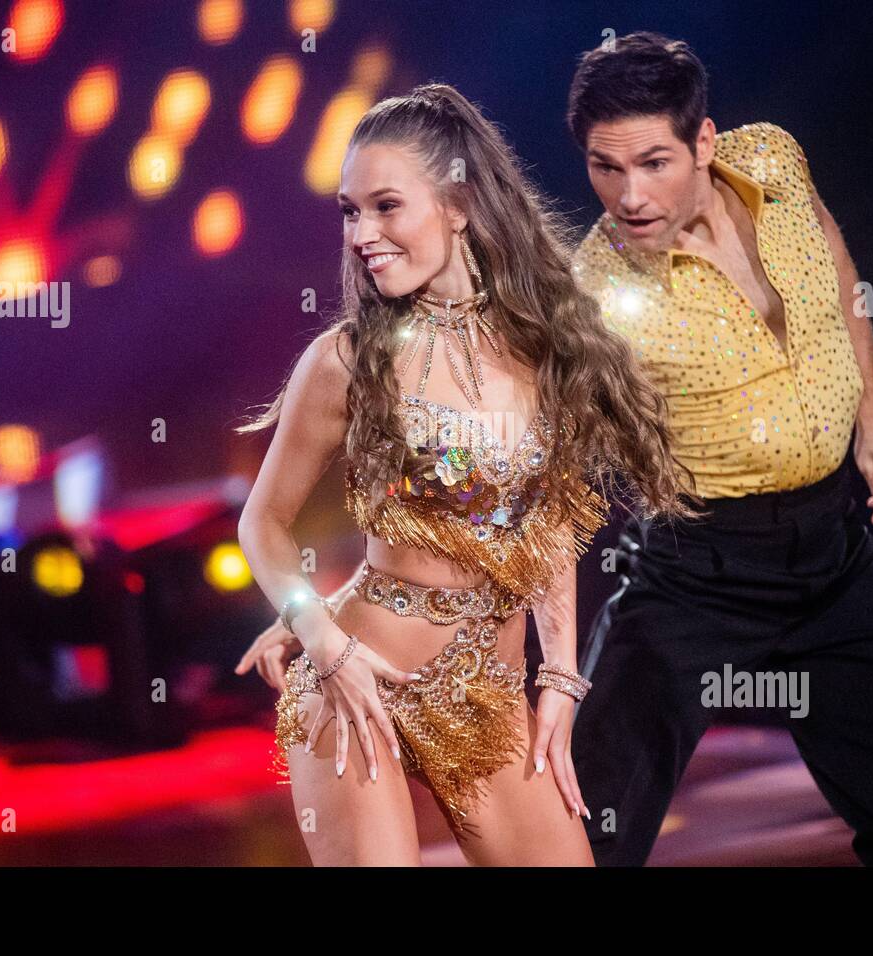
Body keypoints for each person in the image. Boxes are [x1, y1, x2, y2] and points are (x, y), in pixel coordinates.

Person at [235, 83, 695, 866]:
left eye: (385, 206)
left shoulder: (545, 345)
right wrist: (319, 632)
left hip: (487, 699)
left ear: (456, 203)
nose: (361, 234)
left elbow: (548, 527)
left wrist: (557, 679)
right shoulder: (345, 362)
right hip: (356, 686)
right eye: (350, 211)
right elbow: (263, 524)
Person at [565, 33, 873, 866]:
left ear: (705, 141)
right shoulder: (597, 287)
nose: (630, 195)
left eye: (653, 162)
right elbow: (537, 445)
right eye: (605, 168)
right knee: (583, 843)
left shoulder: (774, 163)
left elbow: (831, 261)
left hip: (833, 559)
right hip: (692, 572)